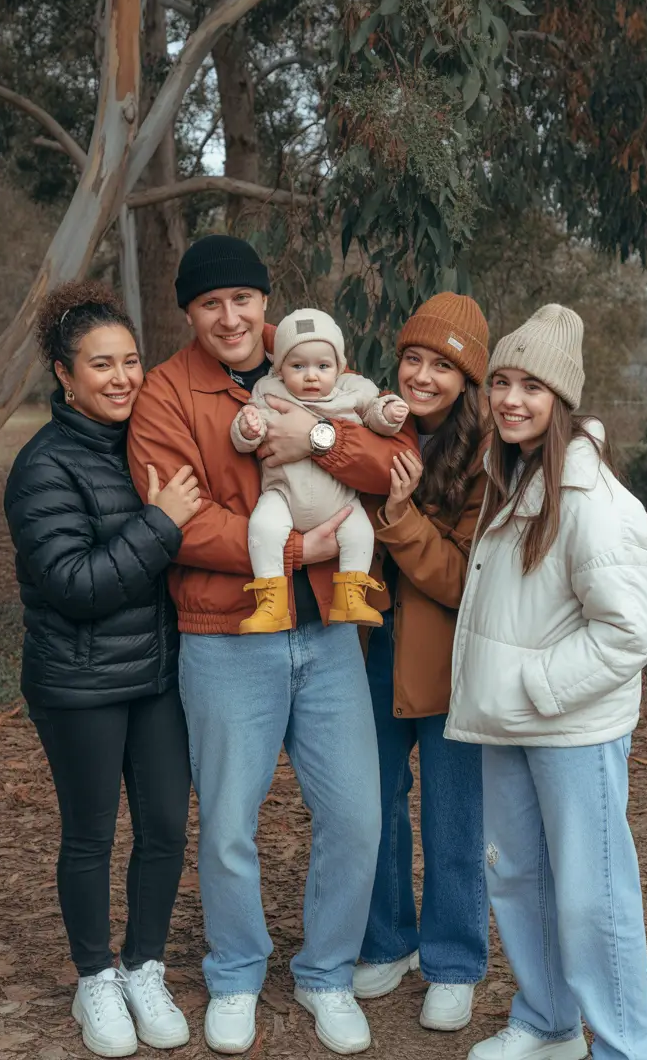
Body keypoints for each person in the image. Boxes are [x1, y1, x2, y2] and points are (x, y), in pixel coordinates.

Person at [127, 235, 414, 1056]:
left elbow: (394, 456)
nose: (229, 317)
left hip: (327, 632)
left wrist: (318, 442)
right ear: (188, 312)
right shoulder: (165, 395)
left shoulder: (311, 363)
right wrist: (301, 551)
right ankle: (236, 971)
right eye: (210, 303)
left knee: (358, 814)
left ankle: (326, 972)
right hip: (226, 635)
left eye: (242, 300)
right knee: (226, 823)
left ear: (266, 305)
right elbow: (181, 524)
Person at [445, 305, 647, 1060]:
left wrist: (536, 684)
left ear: (562, 401)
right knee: (519, 880)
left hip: (570, 724)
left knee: (591, 898)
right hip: (512, 721)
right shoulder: (509, 476)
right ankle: (548, 1023)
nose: (509, 399)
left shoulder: (592, 499)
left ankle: (627, 1047)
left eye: (530, 387)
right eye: (500, 382)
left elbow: (631, 629)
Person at [4, 282, 201, 1058]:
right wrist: (162, 525)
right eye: (100, 365)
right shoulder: (41, 467)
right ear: (64, 374)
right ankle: (95, 980)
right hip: (78, 682)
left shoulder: (145, 442)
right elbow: (76, 587)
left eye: (130, 361)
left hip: (155, 676)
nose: (121, 378)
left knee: (164, 827)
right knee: (90, 835)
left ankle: (145, 966)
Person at [352, 293, 490, 1033]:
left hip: (449, 662)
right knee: (370, 803)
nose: (424, 375)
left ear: (468, 380)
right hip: (372, 648)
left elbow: (462, 580)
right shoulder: (374, 427)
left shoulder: (484, 458)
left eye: (444, 365)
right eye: (414, 358)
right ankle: (388, 938)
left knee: (452, 814)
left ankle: (454, 959)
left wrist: (401, 520)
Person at [231, 307, 409, 633]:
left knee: (359, 532)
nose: (311, 375)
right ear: (281, 368)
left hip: (340, 501)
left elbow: (376, 416)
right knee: (263, 527)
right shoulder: (268, 393)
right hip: (283, 495)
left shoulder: (353, 390)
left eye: (323, 366)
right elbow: (244, 439)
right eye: (298, 366)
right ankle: (271, 602)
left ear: (339, 367)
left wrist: (389, 411)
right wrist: (247, 427)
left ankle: (351, 595)